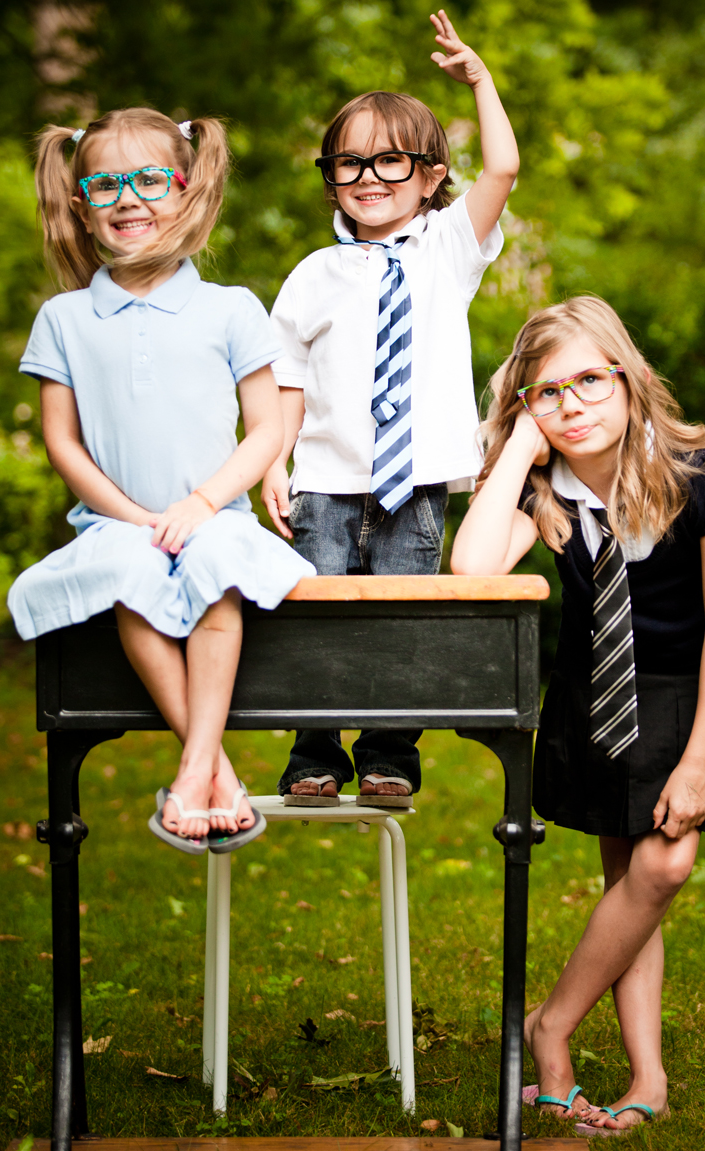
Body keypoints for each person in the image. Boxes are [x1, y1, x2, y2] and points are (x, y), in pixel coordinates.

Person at [451, 296, 705, 1134]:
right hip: (593, 695)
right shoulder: (541, 487)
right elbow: (472, 568)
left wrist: (699, 759)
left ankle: (551, 1024)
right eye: (547, 392)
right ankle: (647, 1076)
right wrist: (521, 445)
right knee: (630, 887)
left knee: (664, 865)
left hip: (682, 693)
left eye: (589, 380)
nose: (572, 404)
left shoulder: (699, 475)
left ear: (628, 377)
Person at [7, 108, 315, 855]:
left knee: (217, 573)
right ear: (80, 204)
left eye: (149, 179)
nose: (127, 198)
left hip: (216, 516)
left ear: (187, 190)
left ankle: (194, 770)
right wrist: (135, 517)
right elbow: (62, 442)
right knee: (130, 574)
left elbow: (266, 429)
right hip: (116, 523)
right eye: (105, 184)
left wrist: (202, 503)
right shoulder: (64, 318)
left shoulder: (229, 308)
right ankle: (215, 774)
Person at [261, 9, 519, 809]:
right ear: (331, 176)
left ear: (431, 175)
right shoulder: (313, 273)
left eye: (390, 160)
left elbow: (504, 169)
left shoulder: (449, 249)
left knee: (402, 618)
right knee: (315, 615)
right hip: (326, 481)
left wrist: (479, 81)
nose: (368, 176)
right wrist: (270, 463)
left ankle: (389, 755)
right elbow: (286, 381)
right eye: (349, 162)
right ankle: (312, 753)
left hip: (419, 481)